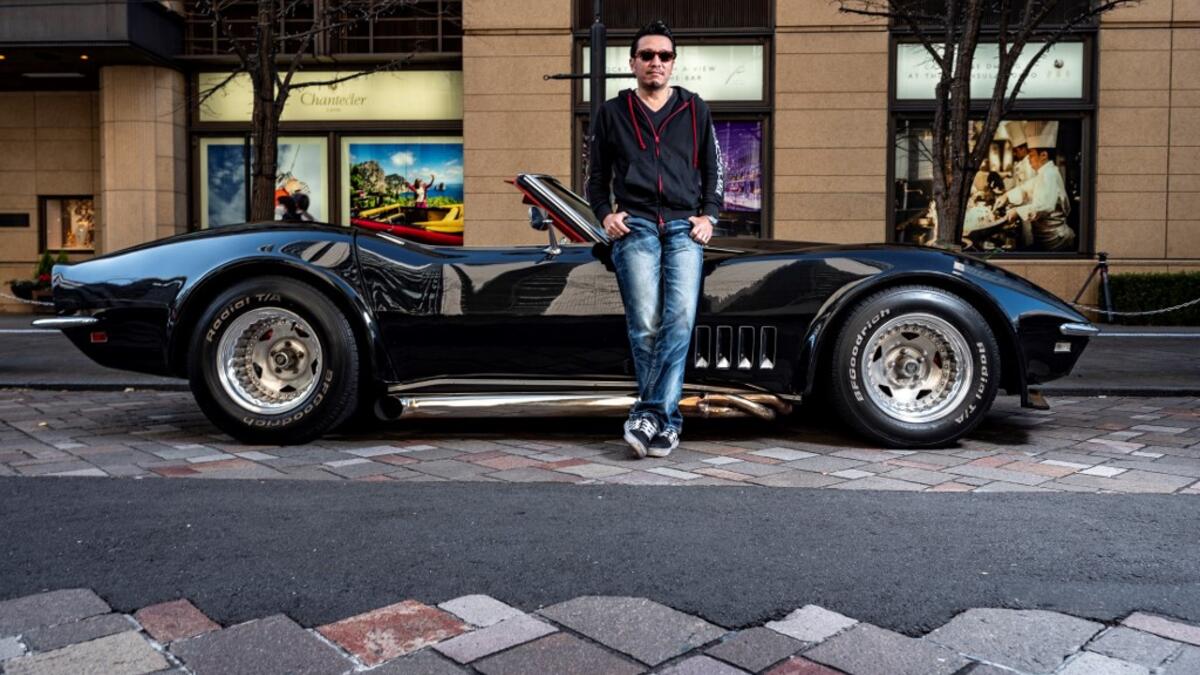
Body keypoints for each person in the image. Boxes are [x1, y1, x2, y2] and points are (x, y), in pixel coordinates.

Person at [586, 19, 723, 459]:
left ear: (673, 63)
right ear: (632, 63)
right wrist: (606, 214)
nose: (656, 62)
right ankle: (666, 423)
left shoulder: (694, 108)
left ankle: (649, 415)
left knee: (679, 319)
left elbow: (713, 172)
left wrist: (711, 216)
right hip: (637, 226)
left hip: (685, 226)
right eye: (647, 55)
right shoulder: (612, 112)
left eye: (664, 56)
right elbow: (595, 177)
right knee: (645, 324)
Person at [999, 121, 1075, 251]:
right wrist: (1006, 196)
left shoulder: (1050, 174)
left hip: (1056, 239)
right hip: (1045, 237)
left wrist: (1017, 211)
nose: (1029, 159)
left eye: (1032, 155)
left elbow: (1045, 206)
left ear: (1043, 155)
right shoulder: (1043, 173)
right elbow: (1025, 187)